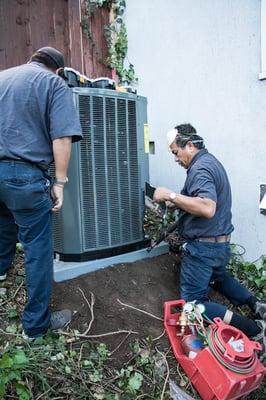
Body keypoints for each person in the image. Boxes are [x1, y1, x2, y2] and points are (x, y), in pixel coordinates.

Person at [153, 123, 265, 362]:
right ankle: (257, 304)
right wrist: (178, 202)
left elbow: (207, 207)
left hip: (203, 247)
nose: (175, 158)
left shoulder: (200, 169)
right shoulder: (210, 162)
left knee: (192, 304)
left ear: (190, 145)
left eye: (175, 152)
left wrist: (170, 195)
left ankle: (254, 329)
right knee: (219, 277)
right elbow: (199, 199)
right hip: (219, 244)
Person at [0, 46, 82, 340]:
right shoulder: (54, 84)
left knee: (4, 223)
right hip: (24, 176)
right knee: (38, 248)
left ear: (32, 59)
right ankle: (35, 328)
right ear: (58, 69)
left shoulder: (3, 78)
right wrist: (59, 183)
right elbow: (61, 136)